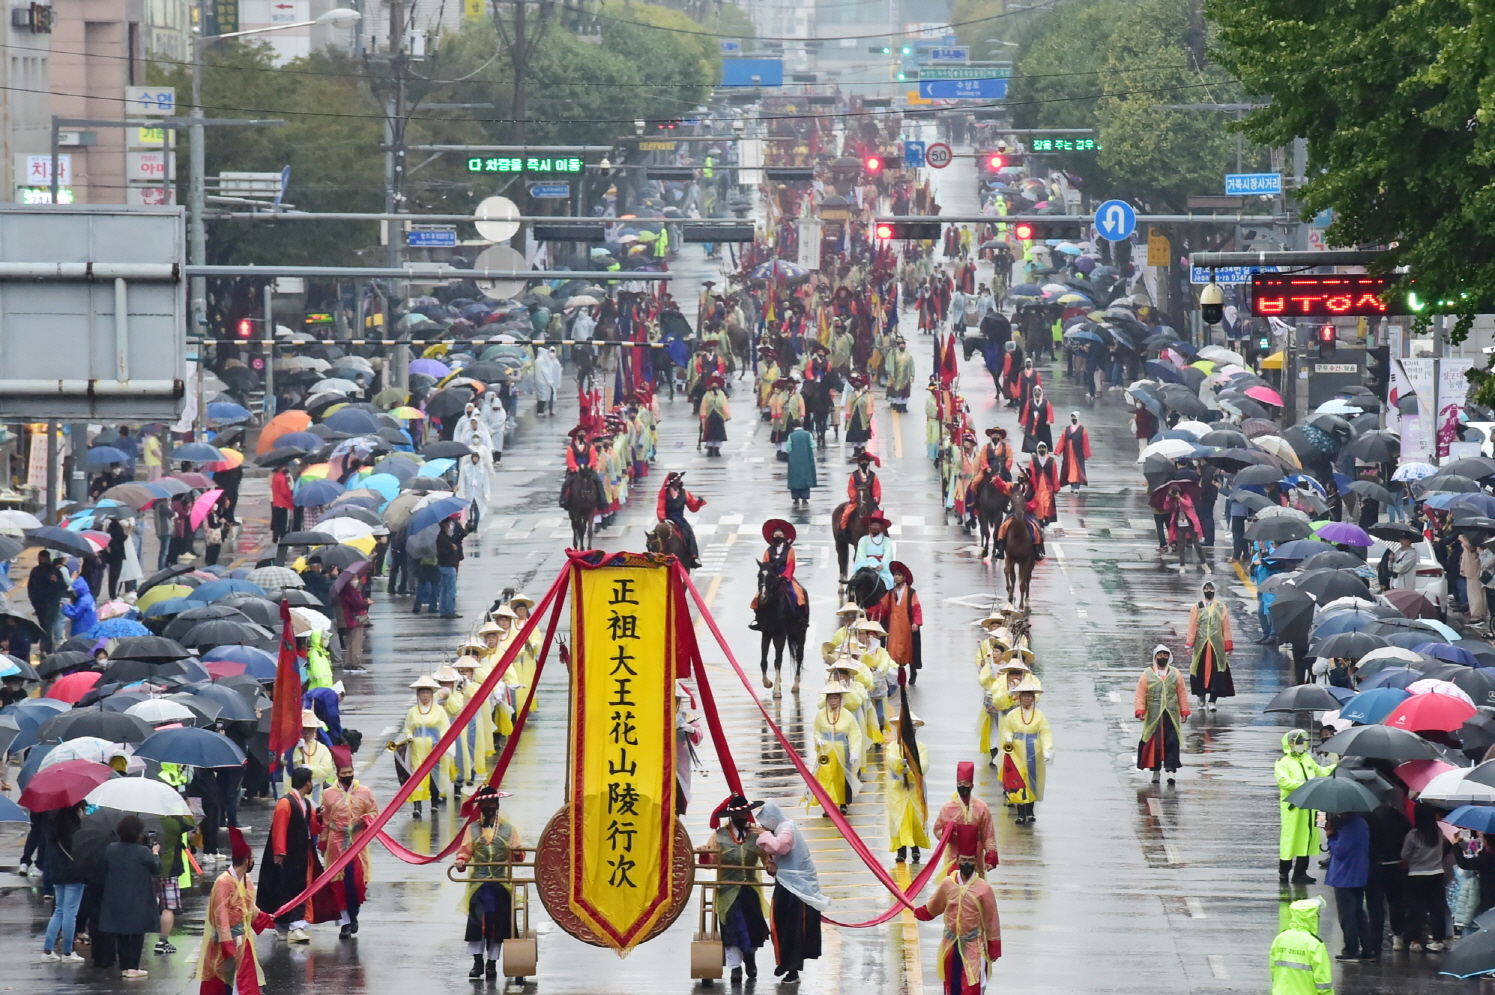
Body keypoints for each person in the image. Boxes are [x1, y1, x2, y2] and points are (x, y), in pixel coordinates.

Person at [913, 824, 1002, 995]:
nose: (966, 864)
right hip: (951, 945)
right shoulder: (948, 883)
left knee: (972, 984)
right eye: (963, 860)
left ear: (975, 861)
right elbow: (934, 905)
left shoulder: (983, 888)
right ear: (957, 860)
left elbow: (992, 920)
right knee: (951, 985)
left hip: (973, 945)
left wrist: (994, 946)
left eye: (970, 860)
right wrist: (920, 912)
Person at [455, 786, 524, 982]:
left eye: (491, 804)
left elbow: (519, 856)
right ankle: (477, 962)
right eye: (483, 803)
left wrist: (516, 851)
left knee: (498, 926)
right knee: (478, 924)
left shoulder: (509, 829)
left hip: (501, 883)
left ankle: (491, 963)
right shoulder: (471, 829)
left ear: (497, 805)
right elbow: (465, 851)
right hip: (479, 884)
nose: (487, 807)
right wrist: (461, 861)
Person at [754, 800, 827, 984]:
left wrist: (764, 835)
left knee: (793, 927)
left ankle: (792, 968)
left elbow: (780, 847)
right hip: (788, 883)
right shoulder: (780, 829)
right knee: (781, 924)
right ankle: (786, 962)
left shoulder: (786, 829)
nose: (762, 826)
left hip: (796, 886)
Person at [199, 827, 275, 995]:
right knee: (225, 984)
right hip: (226, 944)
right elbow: (221, 916)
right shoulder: (224, 882)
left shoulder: (245, 879)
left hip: (243, 943)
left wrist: (265, 918)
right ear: (247, 860)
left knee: (244, 985)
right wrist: (227, 944)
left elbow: (249, 908)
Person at [258, 767, 327, 943]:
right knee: (286, 890)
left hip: (300, 854)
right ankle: (290, 925)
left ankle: (291, 925)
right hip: (288, 856)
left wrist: (320, 817)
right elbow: (279, 828)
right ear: (307, 783)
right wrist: (280, 852)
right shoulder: (286, 802)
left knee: (294, 889)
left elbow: (312, 825)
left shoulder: (306, 803)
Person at [705, 795, 769, 983]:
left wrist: (771, 866)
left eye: (745, 813)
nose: (743, 817)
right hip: (727, 891)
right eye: (739, 814)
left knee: (752, 928)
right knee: (731, 929)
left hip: (750, 889)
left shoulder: (757, 834)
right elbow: (710, 862)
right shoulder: (719, 836)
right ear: (731, 817)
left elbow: (768, 858)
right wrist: (706, 854)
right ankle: (735, 968)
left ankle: (750, 959)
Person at [99, 814, 161, 978]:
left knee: (121, 932)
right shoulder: (143, 851)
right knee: (137, 932)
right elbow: (156, 868)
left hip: (116, 895)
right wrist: (155, 853)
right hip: (138, 896)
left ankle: (125, 966)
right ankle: (133, 966)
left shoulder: (111, 848)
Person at [1276, 729, 1332, 884]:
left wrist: (1334, 768)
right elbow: (1283, 782)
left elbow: (1319, 771)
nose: (1301, 745)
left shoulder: (1307, 759)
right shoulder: (1283, 762)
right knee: (1290, 839)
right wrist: (1304, 786)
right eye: (1298, 743)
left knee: (1307, 839)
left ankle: (1300, 872)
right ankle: (1284, 872)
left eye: (1303, 742)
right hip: (1293, 809)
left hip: (1310, 807)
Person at [999, 677, 1051, 825]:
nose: (1027, 698)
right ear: (1019, 697)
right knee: (1018, 781)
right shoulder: (1012, 714)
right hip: (1016, 751)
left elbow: (1045, 732)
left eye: (1029, 695)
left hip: (1034, 751)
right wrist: (1008, 739)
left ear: (1033, 698)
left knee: (1032, 781)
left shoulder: (1039, 715)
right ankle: (1020, 812)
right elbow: (1007, 729)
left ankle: (1030, 810)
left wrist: (1048, 750)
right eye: (1024, 695)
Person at [933, 762, 999, 877]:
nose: (963, 786)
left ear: (972, 786)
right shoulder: (948, 808)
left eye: (966, 783)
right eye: (960, 783)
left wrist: (990, 856)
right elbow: (936, 830)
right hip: (954, 856)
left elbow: (988, 834)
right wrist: (946, 832)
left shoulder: (981, 808)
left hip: (976, 858)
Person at [1135, 645, 1190, 783]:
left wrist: (1184, 710)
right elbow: (1140, 694)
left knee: (1171, 741)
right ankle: (1155, 771)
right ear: (1155, 657)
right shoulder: (1147, 674)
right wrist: (1140, 709)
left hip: (1171, 714)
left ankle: (1171, 771)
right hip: (1154, 715)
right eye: (1160, 655)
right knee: (1155, 743)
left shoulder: (1175, 673)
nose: (1162, 657)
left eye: (1165, 654)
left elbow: (1181, 693)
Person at [41, 801, 87, 963]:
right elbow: (80, 846)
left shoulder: (52, 820)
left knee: (59, 910)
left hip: (57, 870)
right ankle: (67, 952)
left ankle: (48, 950)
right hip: (74, 871)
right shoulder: (72, 822)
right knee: (70, 912)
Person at [1401, 802, 1449, 951]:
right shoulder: (1439, 833)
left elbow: (1405, 855)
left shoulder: (1413, 835)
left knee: (1416, 909)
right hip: (1436, 873)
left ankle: (1415, 941)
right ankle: (1438, 939)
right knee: (1437, 908)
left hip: (1417, 875)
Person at [1325, 811, 1371, 960]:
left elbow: (1340, 850)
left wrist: (1331, 837)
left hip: (1345, 876)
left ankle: (1351, 949)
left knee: (1347, 914)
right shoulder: (1360, 823)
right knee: (1358, 913)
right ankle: (1366, 947)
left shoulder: (1350, 826)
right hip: (1358, 873)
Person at [811, 682, 863, 814]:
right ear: (826, 699)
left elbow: (854, 734)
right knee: (826, 776)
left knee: (842, 777)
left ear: (841, 699)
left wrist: (854, 752)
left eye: (836, 698)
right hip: (826, 751)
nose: (833, 701)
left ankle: (843, 803)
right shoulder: (821, 714)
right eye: (830, 698)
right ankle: (828, 805)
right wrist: (819, 740)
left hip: (842, 750)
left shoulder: (847, 715)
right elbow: (816, 731)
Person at [1184, 581, 1235, 711]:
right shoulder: (1197, 607)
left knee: (1217, 672)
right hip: (1201, 645)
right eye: (1206, 588)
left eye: (1211, 588)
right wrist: (1190, 644)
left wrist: (1228, 645)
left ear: (1214, 590)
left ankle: (1213, 700)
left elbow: (1226, 627)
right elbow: (1192, 626)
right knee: (1199, 670)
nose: (1209, 590)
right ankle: (1201, 695)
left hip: (1216, 646)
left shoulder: (1221, 607)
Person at [886, 718, 930, 864]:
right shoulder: (893, 747)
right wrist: (900, 764)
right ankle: (901, 850)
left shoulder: (921, 747)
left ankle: (915, 847)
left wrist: (912, 768)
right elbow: (891, 760)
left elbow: (924, 764)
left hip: (915, 788)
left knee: (915, 818)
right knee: (899, 818)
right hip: (898, 789)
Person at [1270, 897, 1334, 995]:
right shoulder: (1314, 943)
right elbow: (1323, 981)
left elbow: (1274, 971)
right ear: (1312, 918)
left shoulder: (1280, 938)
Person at [876, 561, 922, 679]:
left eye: (899, 575)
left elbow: (916, 608)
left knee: (908, 649)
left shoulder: (911, 592)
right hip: (893, 625)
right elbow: (882, 607)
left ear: (904, 577)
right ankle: (895, 675)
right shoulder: (891, 593)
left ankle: (912, 671)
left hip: (906, 624)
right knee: (893, 649)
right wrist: (870, 612)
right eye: (895, 575)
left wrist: (916, 622)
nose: (896, 577)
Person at [657, 471, 705, 569]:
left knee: (689, 533)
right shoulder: (664, 494)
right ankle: (655, 557)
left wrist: (699, 502)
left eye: (679, 480)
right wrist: (663, 519)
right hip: (667, 519)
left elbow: (692, 507)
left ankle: (693, 557)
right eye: (677, 480)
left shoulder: (684, 493)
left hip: (680, 520)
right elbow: (660, 508)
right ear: (672, 483)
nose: (679, 482)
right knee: (656, 536)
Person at [287, 709, 337, 801]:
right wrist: (295, 750)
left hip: (315, 787)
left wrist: (310, 769)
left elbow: (326, 768)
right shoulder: (292, 747)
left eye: (310, 729)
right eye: (304, 729)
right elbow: (285, 761)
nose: (306, 733)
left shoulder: (322, 748)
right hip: (296, 789)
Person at [27, 550, 66, 654]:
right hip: (41, 603)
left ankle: (46, 647)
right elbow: (31, 587)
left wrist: (56, 580)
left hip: (51, 602)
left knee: (48, 625)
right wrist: (34, 601)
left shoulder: (54, 571)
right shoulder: (36, 571)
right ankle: (46, 647)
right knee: (45, 625)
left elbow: (63, 586)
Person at [852, 512, 897, 590]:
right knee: (853, 583)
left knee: (891, 581)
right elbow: (861, 555)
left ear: (881, 527)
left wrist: (882, 565)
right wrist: (865, 565)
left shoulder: (887, 541)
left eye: (877, 525)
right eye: (873, 525)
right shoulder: (863, 540)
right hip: (866, 565)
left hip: (881, 567)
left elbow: (888, 555)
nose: (875, 527)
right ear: (870, 526)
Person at [841, 451, 882, 529]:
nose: (864, 462)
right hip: (857, 501)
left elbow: (876, 487)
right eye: (862, 461)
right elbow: (851, 488)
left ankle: (883, 533)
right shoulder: (853, 475)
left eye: (866, 461)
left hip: (870, 501)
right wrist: (854, 498)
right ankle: (842, 531)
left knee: (879, 517)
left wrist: (876, 497)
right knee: (846, 514)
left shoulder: (873, 475)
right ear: (859, 462)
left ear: (868, 462)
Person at [436, 517, 466, 619]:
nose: (450, 525)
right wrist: (452, 548)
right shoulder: (443, 537)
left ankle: (444, 610)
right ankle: (449, 610)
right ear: (445, 524)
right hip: (448, 565)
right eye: (449, 523)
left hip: (443, 565)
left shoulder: (441, 536)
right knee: (450, 590)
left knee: (444, 589)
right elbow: (442, 551)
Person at [1056, 412, 1091, 493]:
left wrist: (1086, 454)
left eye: (1074, 417)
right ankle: (1072, 485)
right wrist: (1058, 451)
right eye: (1072, 417)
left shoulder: (1082, 430)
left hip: (1078, 454)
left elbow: (1085, 443)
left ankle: (1076, 486)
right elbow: (1062, 440)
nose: (1073, 419)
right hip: (1068, 453)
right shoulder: (1067, 429)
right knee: (1070, 470)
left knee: (1077, 470)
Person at [457, 452, 492, 529]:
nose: (475, 459)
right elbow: (462, 480)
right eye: (474, 457)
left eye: (477, 458)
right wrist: (462, 492)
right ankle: (470, 523)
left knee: (477, 509)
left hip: (478, 492)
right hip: (468, 493)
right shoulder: (466, 468)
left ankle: (475, 525)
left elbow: (486, 482)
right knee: (469, 509)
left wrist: (486, 493)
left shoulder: (482, 469)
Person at [786, 423, 816, 507]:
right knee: (805, 478)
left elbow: (788, 448)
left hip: (794, 461)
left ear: (793, 427)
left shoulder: (791, 436)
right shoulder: (807, 434)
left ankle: (795, 498)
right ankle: (805, 498)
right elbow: (813, 445)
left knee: (794, 478)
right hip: (806, 459)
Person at [700, 376, 731, 456]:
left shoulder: (721, 394)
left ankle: (717, 448)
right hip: (710, 417)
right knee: (710, 434)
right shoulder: (706, 395)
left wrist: (727, 415)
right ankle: (710, 449)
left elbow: (725, 404)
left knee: (718, 434)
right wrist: (703, 416)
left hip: (719, 417)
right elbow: (703, 406)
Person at [845, 376, 874, 458]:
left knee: (862, 433)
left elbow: (869, 405)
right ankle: (856, 449)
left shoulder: (867, 395)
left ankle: (862, 448)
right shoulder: (851, 395)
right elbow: (848, 405)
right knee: (854, 434)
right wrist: (848, 415)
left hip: (863, 418)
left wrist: (869, 415)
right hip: (854, 417)